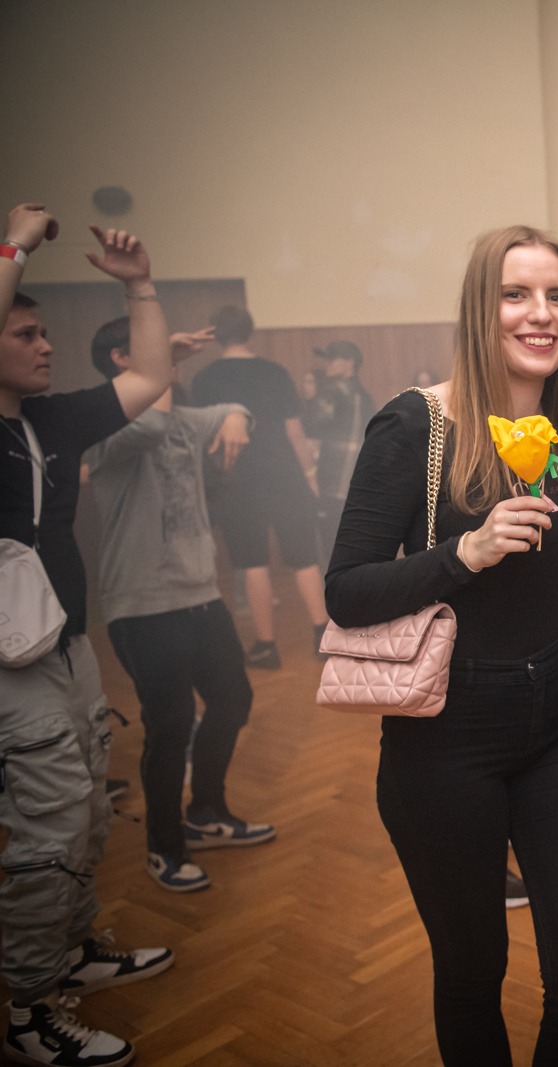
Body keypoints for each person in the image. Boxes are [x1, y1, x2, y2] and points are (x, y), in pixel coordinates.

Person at [324, 225, 558, 1066]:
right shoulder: (416, 423)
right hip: (445, 735)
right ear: (479, 310)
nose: (541, 313)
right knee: (472, 967)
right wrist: (467, 551)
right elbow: (346, 591)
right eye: (515, 294)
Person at [0, 205, 176, 1067]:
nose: (45, 345)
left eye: (44, 333)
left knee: (88, 813)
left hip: (66, 646)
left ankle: (70, 951)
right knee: (50, 826)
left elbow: (150, 375)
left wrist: (140, 285)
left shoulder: (49, 420)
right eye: (25, 333)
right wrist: (15, 244)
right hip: (11, 669)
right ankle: (28, 1008)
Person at [84, 317, 275, 895]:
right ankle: (164, 846)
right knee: (168, 727)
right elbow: (150, 425)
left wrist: (237, 416)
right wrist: (162, 358)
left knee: (233, 698)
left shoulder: (186, 419)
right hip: (144, 605)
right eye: (146, 351)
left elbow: (235, 410)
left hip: (201, 596)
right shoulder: (103, 424)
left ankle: (206, 812)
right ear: (121, 359)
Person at [190, 305, 329, 669]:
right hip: (285, 476)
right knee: (305, 559)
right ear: (250, 332)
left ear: (216, 335)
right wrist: (310, 476)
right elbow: (295, 432)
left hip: (237, 482)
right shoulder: (274, 372)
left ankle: (266, 647)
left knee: (253, 564)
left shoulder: (204, 379)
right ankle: (323, 636)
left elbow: (203, 439)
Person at [302, 339, 376, 560]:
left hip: (332, 484)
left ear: (349, 363)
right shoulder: (365, 397)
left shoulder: (333, 393)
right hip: (357, 484)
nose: (328, 364)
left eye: (333, 359)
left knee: (331, 550)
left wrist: (310, 400)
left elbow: (310, 427)